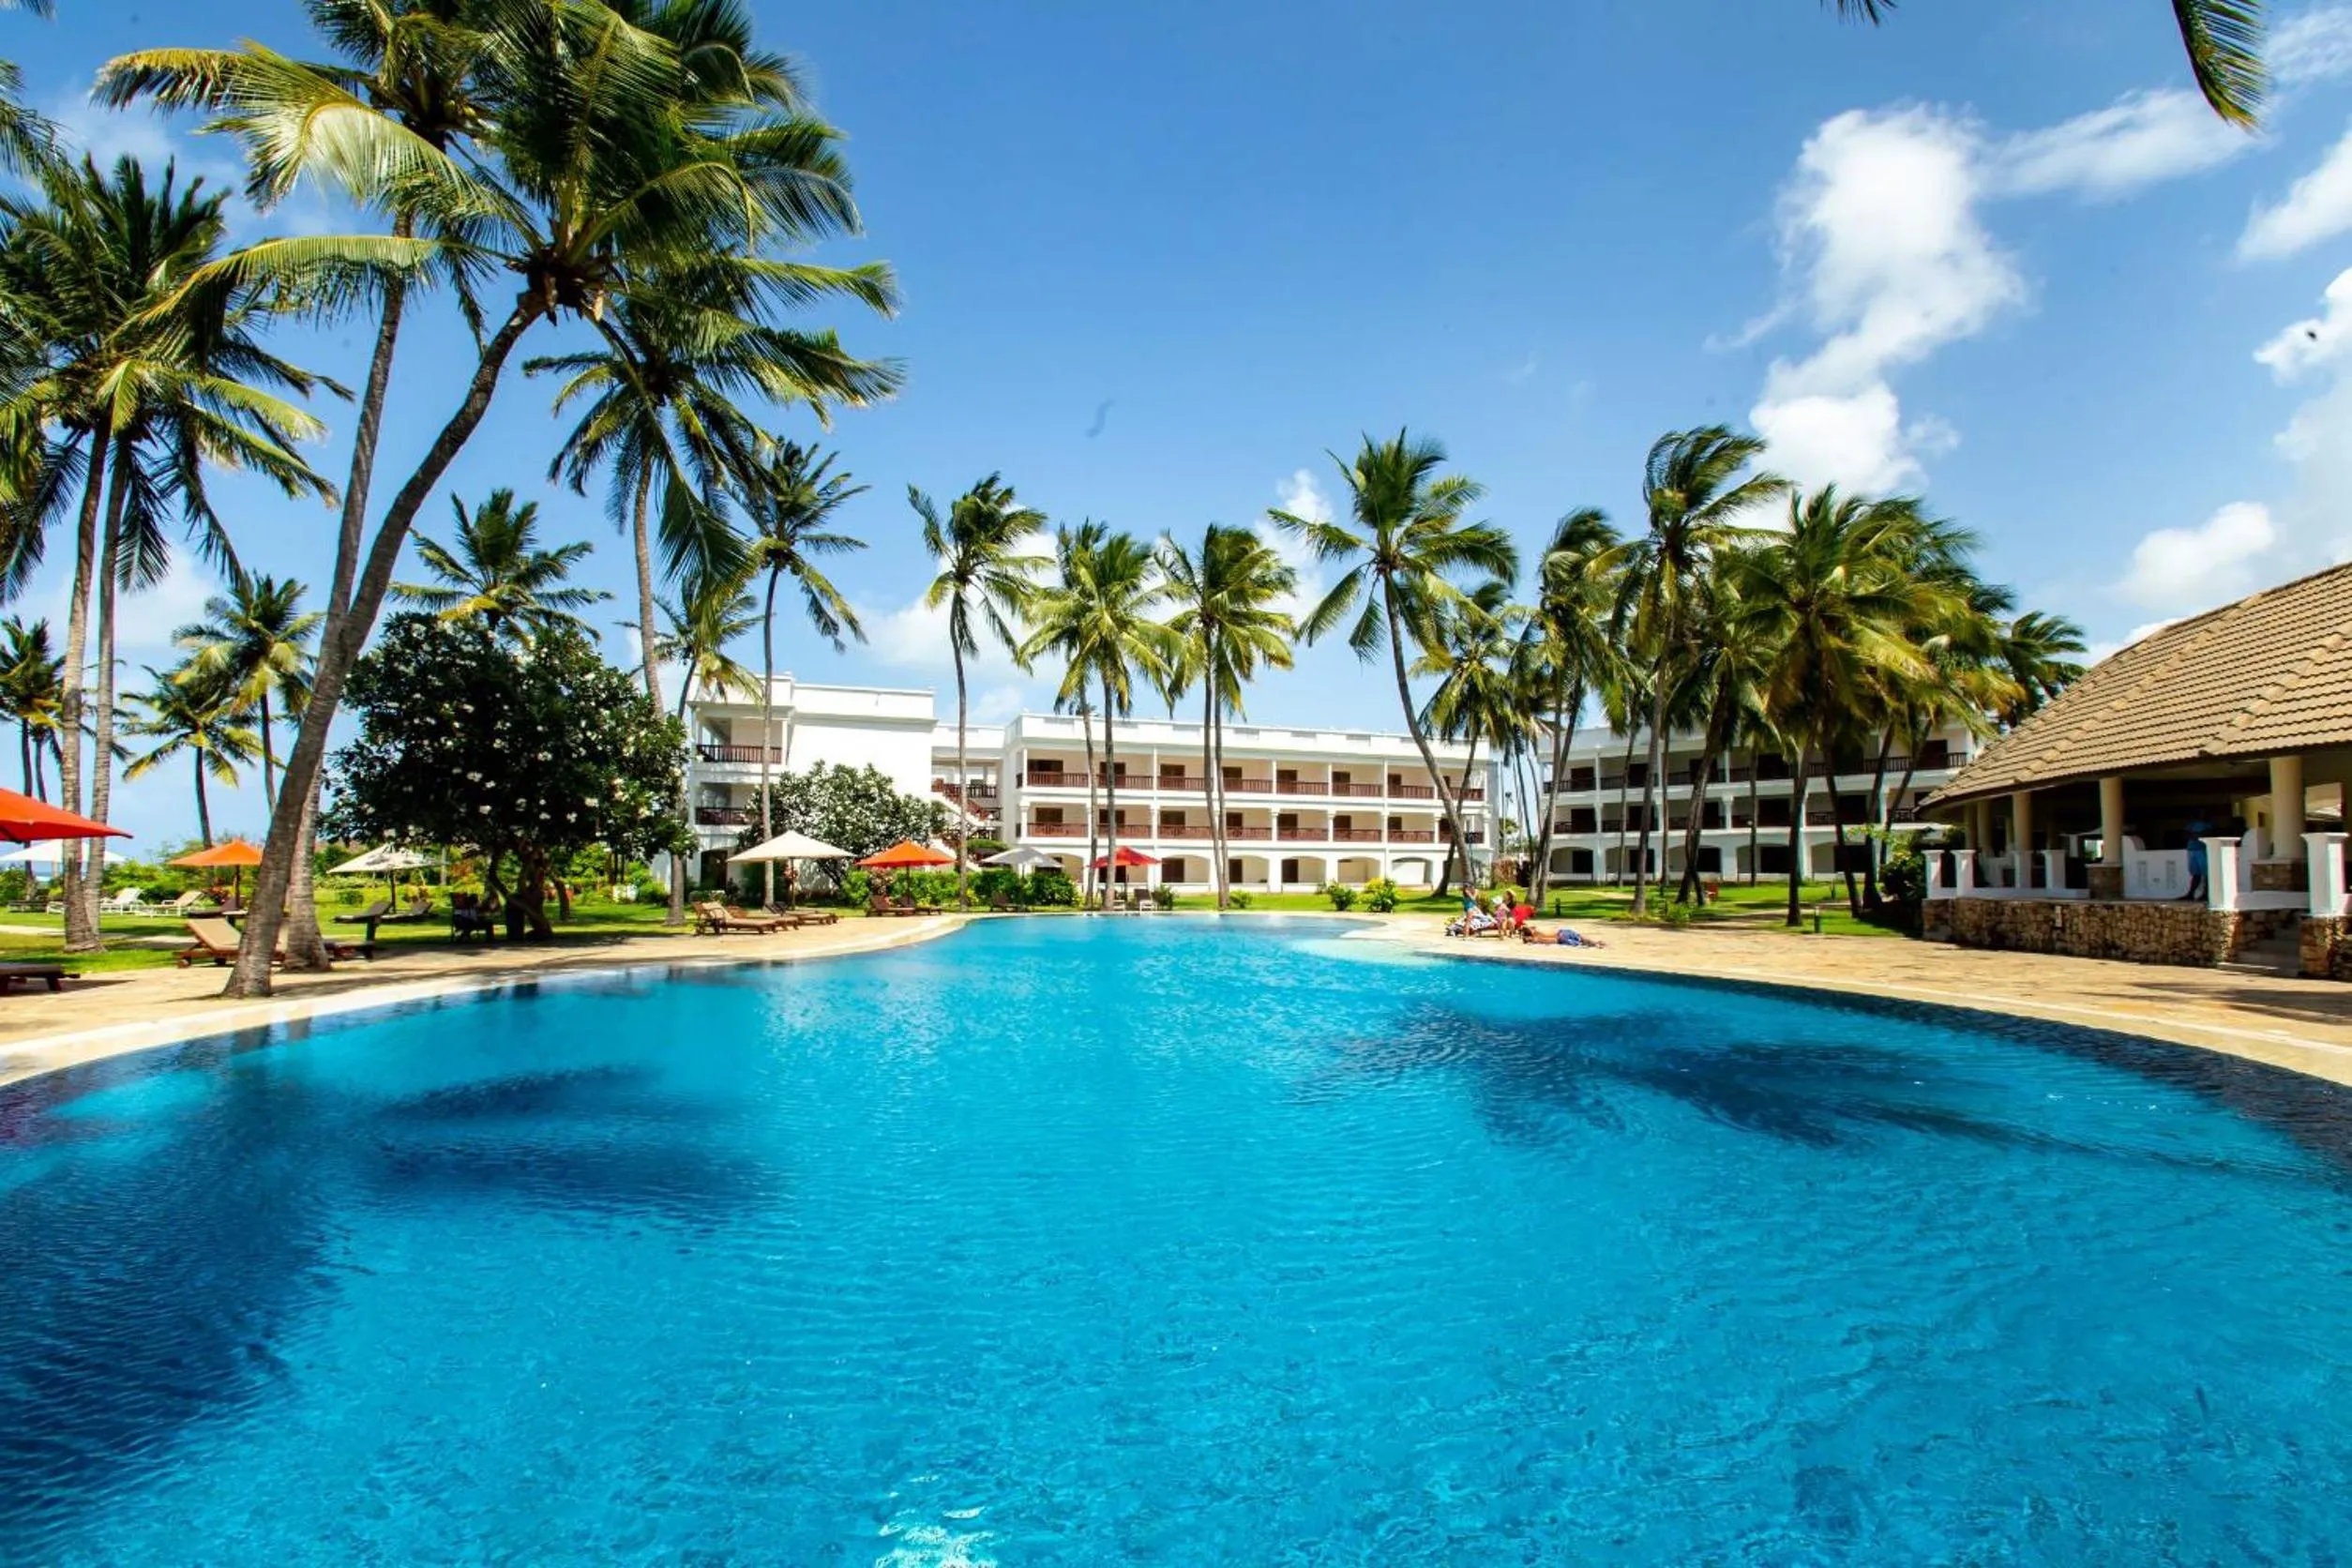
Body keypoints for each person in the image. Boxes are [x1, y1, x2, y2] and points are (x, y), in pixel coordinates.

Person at [1519, 921, 1603, 948]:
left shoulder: (1536, 936)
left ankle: (1595, 944)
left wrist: (1528, 939)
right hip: (1562, 932)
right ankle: (1595, 943)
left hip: (1561, 936)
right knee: (1580, 938)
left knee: (1580, 941)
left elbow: (1550, 941)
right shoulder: (1537, 930)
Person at [2184, 821, 2209, 902]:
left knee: (2206, 874)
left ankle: (2206, 894)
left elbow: (2203, 835)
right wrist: (2195, 835)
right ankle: (2190, 894)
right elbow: (2186, 835)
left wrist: (2194, 835)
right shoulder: (2191, 824)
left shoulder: (2207, 824)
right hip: (2192, 849)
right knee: (2196, 874)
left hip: (2202, 849)